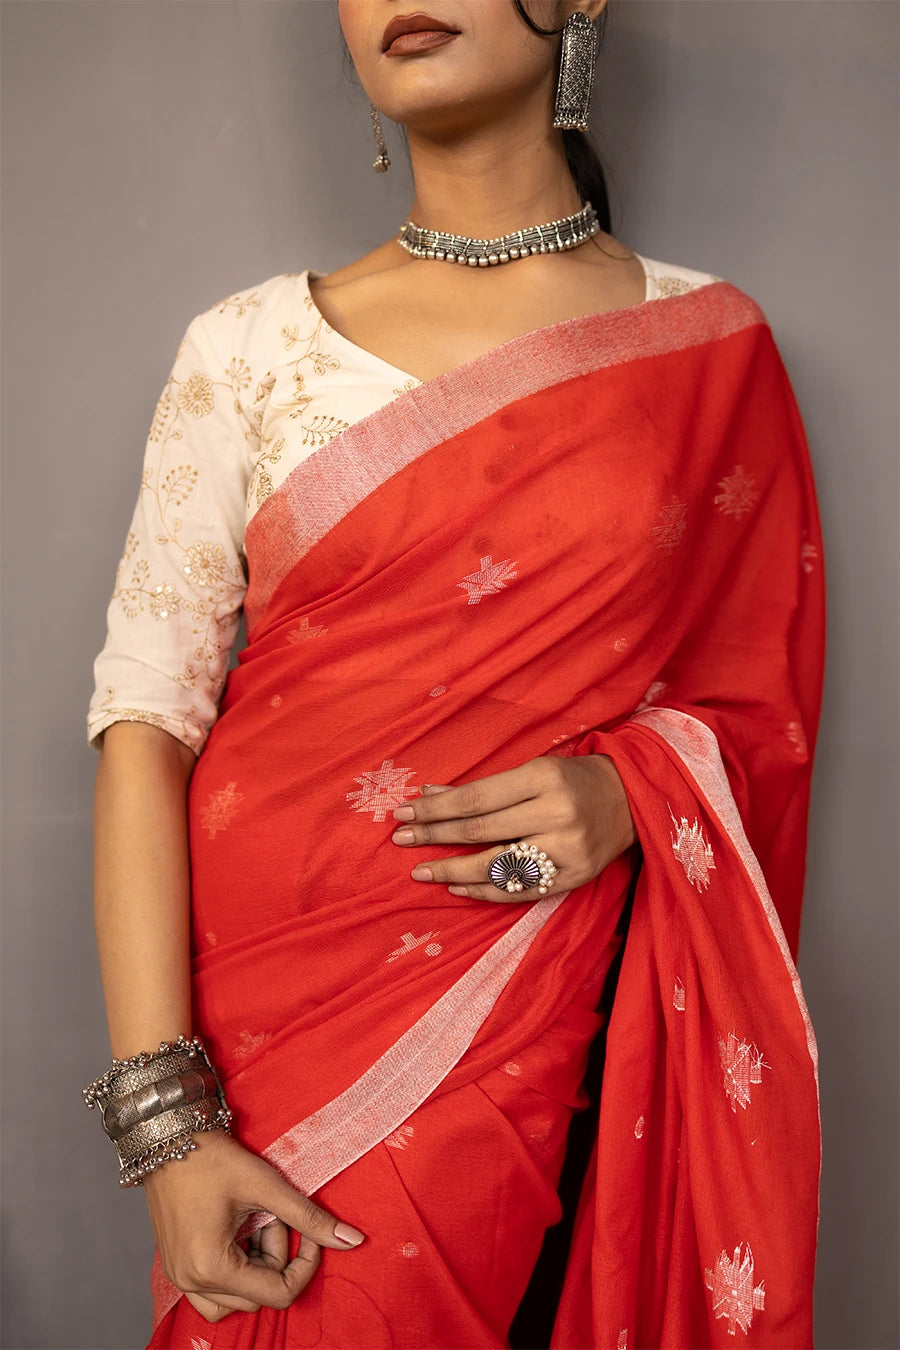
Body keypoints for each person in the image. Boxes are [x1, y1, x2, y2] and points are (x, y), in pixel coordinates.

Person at [83, 2, 826, 1346]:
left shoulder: (708, 349)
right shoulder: (248, 350)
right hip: (262, 1052)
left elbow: (755, 710)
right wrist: (169, 1126)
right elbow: (145, 723)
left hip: (537, 1017)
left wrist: (627, 793)